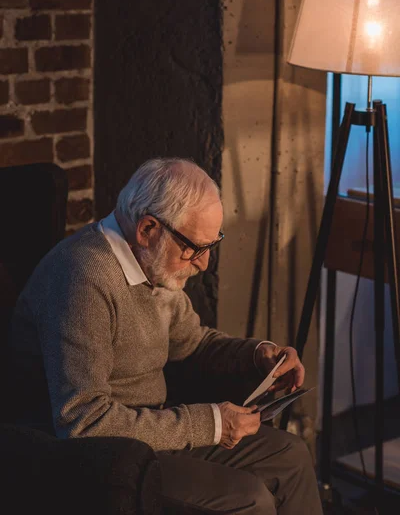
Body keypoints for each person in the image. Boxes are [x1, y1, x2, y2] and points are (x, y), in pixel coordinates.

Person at [9, 157, 323, 515]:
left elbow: (195, 342)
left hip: (154, 427)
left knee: (290, 457)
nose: (203, 263)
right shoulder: (82, 278)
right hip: (102, 456)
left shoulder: (153, 264)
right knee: (249, 498)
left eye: (211, 245)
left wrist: (258, 356)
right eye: (195, 248)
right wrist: (212, 423)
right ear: (147, 229)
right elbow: (84, 420)